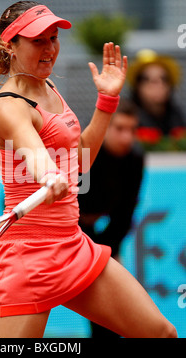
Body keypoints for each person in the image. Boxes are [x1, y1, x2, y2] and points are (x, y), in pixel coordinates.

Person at [0, 1, 177, 338]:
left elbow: (80, 161)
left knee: (161, 334)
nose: (49, 49)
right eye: (37, 40)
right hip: (29, 257)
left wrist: (107, 103)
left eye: (53, 38)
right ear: (9, 45)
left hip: (72, 244)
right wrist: (48, 175)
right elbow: (34, 151)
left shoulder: (50, 90)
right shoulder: (8, 107)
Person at [78, 99, 144, 338]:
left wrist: (103, 251)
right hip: (58, 231)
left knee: (110, 307)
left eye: (132, 130)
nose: (127, 137)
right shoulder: (79, 151)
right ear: (103, 127)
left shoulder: (135, 158)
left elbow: (125, 214)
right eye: (119, 129)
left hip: (97, 233)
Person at [127, 49, 186, 136]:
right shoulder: (126, 116)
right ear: (138, 86)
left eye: (164, 79)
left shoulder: (178, 115)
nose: (158, 85)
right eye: (147, 79)